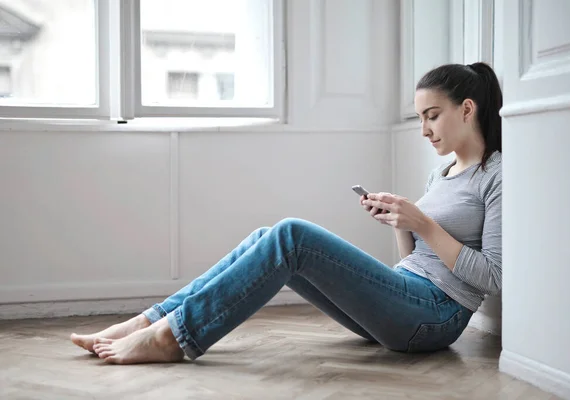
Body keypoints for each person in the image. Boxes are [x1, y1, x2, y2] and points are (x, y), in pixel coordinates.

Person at [71, 62, 503, 364]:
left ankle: (172, 337)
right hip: (409, 294)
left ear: (467, 109)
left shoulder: (495, 174)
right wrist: (398, 220)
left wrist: (423, 223)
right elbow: (415, 256)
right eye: (420, 118)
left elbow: (493, 277)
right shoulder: (441, 172)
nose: (424, 129)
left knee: (292, 235)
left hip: (436, 317)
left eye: (432, 116)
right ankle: (151, 321)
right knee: (268, 236)